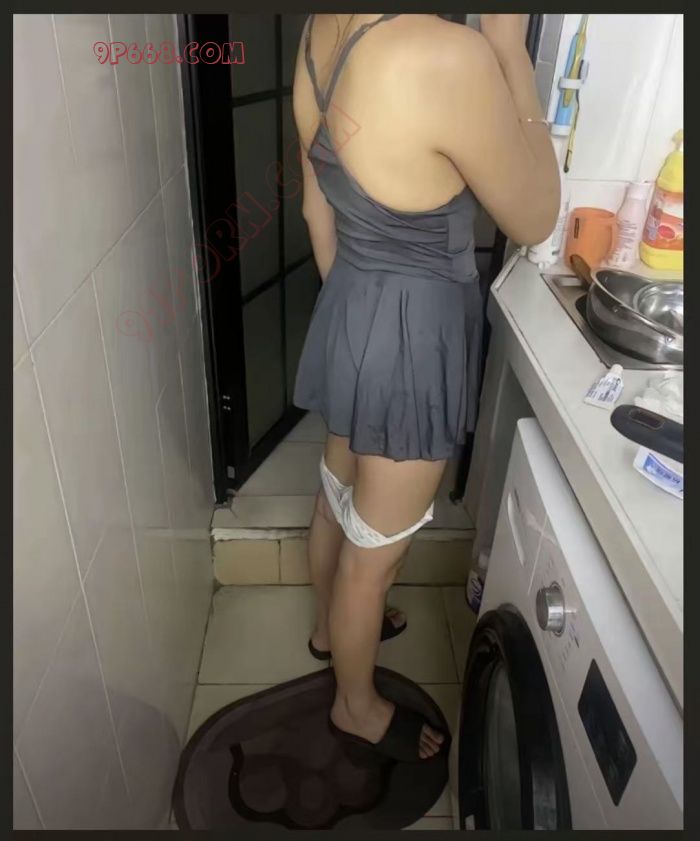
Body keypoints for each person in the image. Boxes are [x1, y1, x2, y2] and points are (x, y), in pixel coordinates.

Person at [291, 13, 559, 762]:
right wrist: (509, 50)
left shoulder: (321, 30)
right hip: (411, 337)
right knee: (373, 554)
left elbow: (317, 207)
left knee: (337, 495)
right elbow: (537, 217)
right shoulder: (448, 54)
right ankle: (355, 705)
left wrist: (360, 325)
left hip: (349, 303)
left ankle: (329, 630)